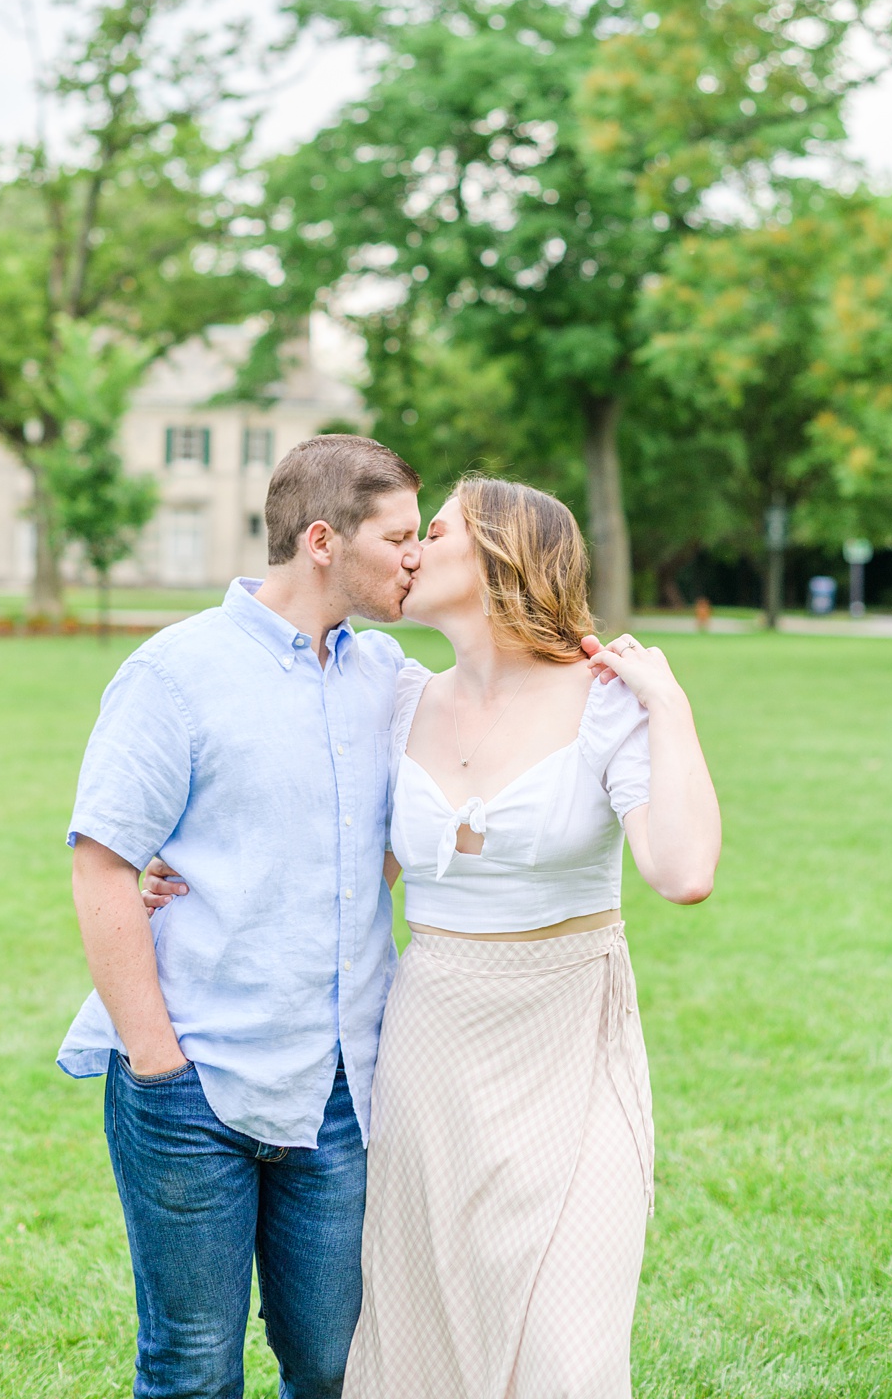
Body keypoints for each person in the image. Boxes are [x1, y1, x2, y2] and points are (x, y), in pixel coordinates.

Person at [58, 434, 430, 1399]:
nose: (417, 556)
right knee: (191, 1368)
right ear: (322, 539)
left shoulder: (385, 674)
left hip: (339, 1090)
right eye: (399, 537)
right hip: (193, 1087)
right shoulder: (174, 674)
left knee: (338, 1366)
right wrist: (156, 1061)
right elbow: (101, 865)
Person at [339, 476, 721, 1399]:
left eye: (434, 531)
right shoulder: (398, 703)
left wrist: (669, 705)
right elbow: (344, 879)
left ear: (501, 553)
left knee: (564, 1357)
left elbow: (682, 872)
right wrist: (174, 881)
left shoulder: (606, 703)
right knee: (427, 1345)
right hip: (429, 1056)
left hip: (569, 1049)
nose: (411, 549)